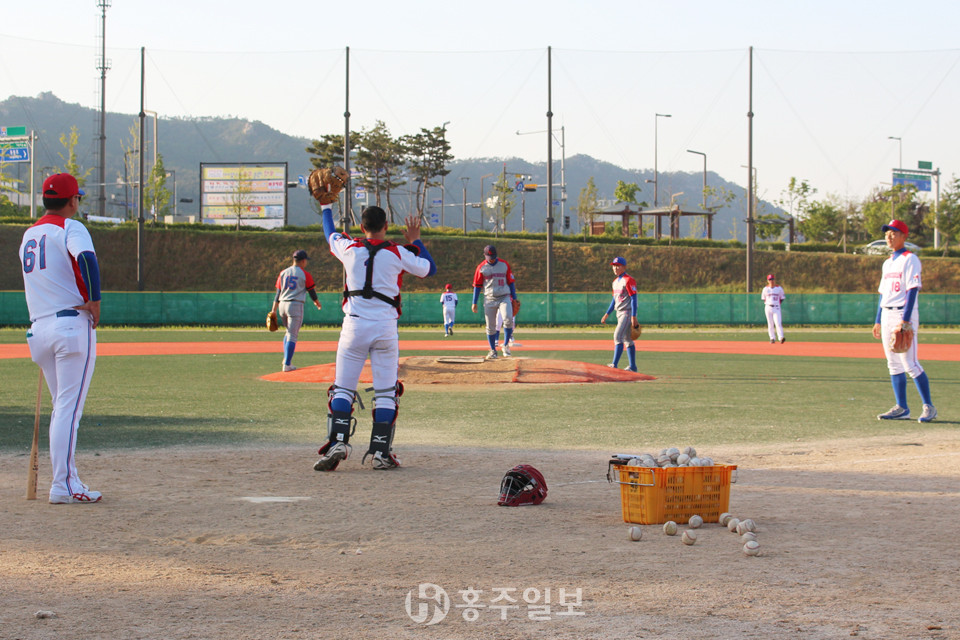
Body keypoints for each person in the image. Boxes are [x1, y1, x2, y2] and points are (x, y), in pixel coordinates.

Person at [314, 204, 436, 471]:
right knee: (385, 393)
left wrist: (326, 207)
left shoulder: (349, 248)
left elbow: (329, 232)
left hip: (354, 327)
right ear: (386, 225)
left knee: (343, 388)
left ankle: (337, 442)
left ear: (361, 227)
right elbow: (430, 269)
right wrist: (415, 240)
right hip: (384, 329)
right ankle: (381, 453)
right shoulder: (398, 251)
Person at [19, 173, 103, 504]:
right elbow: (86, 258)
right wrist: (95, 299)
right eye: (77, 198)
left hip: (38, 329)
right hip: (70, 325)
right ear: (71, 201)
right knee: (68, 409)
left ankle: (68, 479)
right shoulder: (70, 226)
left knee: (61, 409)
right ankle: (63, 485)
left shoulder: (29, 234)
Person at [872, 219, 936, 423]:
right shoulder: (887, 262)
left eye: (894, 232)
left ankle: (929, 407)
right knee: (893, 363)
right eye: (887, 232)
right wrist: (878, 320)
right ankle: (902, 407)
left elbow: (912, 290)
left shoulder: (911, 259)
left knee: (910, 362)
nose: (889, 236)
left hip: (902, 314)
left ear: (904, 236)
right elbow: (882, 294)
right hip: (886, 313)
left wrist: (905, 320)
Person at [270, 249, 322, 372]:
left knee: (288, 333)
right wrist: (317, 302)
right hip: (295, 305)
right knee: (292, 335)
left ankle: (285, 359)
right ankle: (287, 364)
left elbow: (278, 293)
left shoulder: (283, 272)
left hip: (282, 304)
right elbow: (311, 291)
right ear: (303, 261)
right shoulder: (304, 274)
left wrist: (273, 310)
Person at [471, 245, 517, 359]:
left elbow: (511, 282)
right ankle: (492, 350)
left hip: (504, 297)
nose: (492, 258)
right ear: (485, 255)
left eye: (493, 256)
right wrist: (474, 302)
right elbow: (477, 286)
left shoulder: (504, 264)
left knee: (508, 319)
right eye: (489, 256)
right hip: (489, 298)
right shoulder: (481, 267)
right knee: (491, 326)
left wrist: (514, 298)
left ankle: (505, 345)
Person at [600, 256, 639, 372]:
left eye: (618, 266)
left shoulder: (629, 280)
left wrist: (634, 316)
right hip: (619, 313)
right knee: (627, 339)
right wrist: (607, 314)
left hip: (627, 313)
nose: (615, 268)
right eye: (614, 266)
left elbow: (634, 299)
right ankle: (632, 367)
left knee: (617, 336)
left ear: (624, 267)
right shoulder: (615, 282)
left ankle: (614, 364)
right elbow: (614, 300)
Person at [761, 274, 786, 344]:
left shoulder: (779, 288)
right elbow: (764, 299)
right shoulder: (765, 289)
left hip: (776, 307)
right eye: (770, 279)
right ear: (767, 281)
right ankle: (772, 338)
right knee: (770, 323)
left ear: (774, 280)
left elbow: (782, 298)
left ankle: (781, 337)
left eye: (772, 279)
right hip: (768, 307)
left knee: (778, 323)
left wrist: (777, 304)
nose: (771, 281)